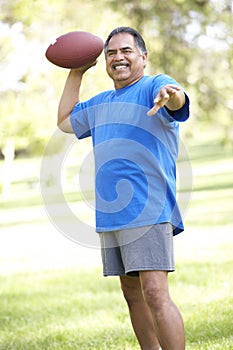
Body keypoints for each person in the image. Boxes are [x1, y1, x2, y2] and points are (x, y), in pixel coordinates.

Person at [57, 26, 190, 350]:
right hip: (113, 212)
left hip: (149, 206)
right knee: (132, 295)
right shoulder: (100, 103)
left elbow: (176, 97)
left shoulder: (152, 86)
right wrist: (76, 72)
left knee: (155, 293)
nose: (118, 57)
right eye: (111, 53)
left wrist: (170, 95)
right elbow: (63, 121)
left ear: (143, 57)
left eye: (126, 51)